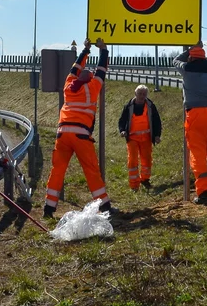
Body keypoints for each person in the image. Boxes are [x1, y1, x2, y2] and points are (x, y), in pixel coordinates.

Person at [43, 37, 111, 218]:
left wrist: (85, 51)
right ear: (89, 79)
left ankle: (49, 208)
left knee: (57, 170)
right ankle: (104, 205)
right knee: (91, 170)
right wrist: (103, 50)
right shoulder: (92, 88)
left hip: (62, 133)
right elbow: (102, 70)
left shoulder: (68, 86)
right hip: (81, 134)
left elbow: (75, 68)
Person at [173, 42, 207, 204]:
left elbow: (174, 60)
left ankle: (202, 193)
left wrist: (189, 48)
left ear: (191, 58)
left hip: (196, 114)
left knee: (198, 153)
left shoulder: (187, 69)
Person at [117, 84, 162, 191]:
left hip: (146, 137)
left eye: (144, 94)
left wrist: (157, 135)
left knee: (146, 160)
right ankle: (134, 184)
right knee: (132, 160)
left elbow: (156, 122)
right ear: (135, 94)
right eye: (140, 94)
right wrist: (122, 130)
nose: (142, 96)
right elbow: (122, 120)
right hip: (132, 138)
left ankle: (145, 179)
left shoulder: (151, 106)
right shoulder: (128, 106)